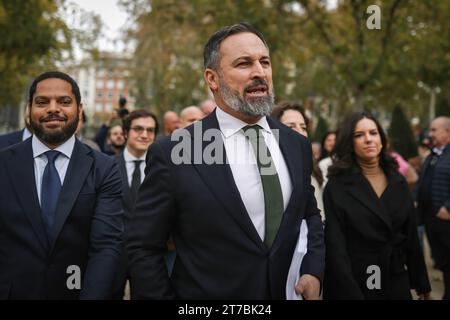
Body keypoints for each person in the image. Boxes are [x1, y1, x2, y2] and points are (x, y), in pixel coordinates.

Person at [127, 22, 324, 299]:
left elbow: (310, 216)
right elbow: (143, 247)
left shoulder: (296, 145)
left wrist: (313, 269)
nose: (259, 72)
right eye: (244, 64)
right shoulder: (176, 151)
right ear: (212, 78)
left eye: (264, 62)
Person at [0, 71, 124, 299]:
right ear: (29, 110)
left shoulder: (104, 168)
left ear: (80, 109)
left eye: (64, 102)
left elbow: (106, 246)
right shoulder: (3, 163)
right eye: (42, 102)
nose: (53, 108)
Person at [323, 111, 431, 300]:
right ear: (349, 142)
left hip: (395, 276)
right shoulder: (336, 186)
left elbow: (411, 236)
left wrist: (421, 282)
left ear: (382, 139)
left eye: (373, 133)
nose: (368, 139)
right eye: (359, 135)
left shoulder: (398, 180)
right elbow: (335, 247)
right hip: (356, 279)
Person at [113, 109, 158, 300]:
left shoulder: (163, 170)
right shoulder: (106, 167)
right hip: (113, 255)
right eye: (138, 129)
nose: (144, 135)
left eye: (150, 130)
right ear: (125, 133)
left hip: (150, 257)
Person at [271, 102, 324, 221]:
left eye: (303, 127)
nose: (300, 132)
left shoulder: (313, 167)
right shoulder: (268, 172)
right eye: (291, 127)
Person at [416, 116, 450, 299]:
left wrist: (448, 208)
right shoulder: (433, 155)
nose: (430, 134)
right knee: (442, 261)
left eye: (434, 130)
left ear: (448, 132)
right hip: (431, 219)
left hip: (446, 219)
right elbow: (423, 182)